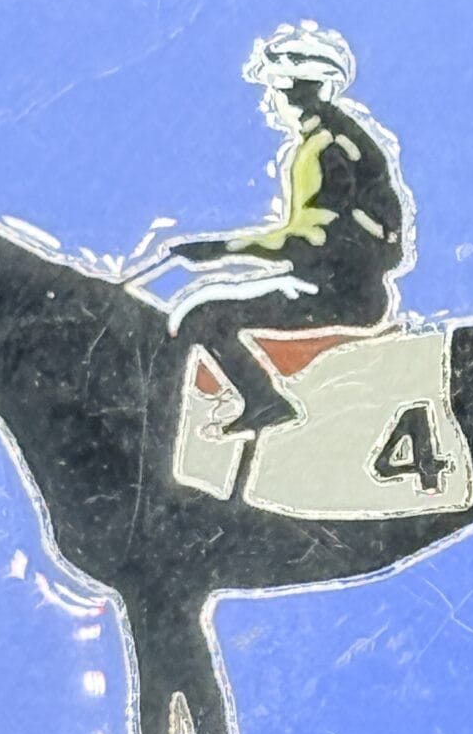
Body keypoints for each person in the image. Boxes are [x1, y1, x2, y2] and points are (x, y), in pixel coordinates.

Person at [165, 23, 409, 435]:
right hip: (347, 287)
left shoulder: (323, 149)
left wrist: (220, 250)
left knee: (203, 317)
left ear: (296, 93)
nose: (267, 102)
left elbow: (306, 239)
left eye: (273, 91)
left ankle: (265, 402)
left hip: (339, 295)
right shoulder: (345, 138)